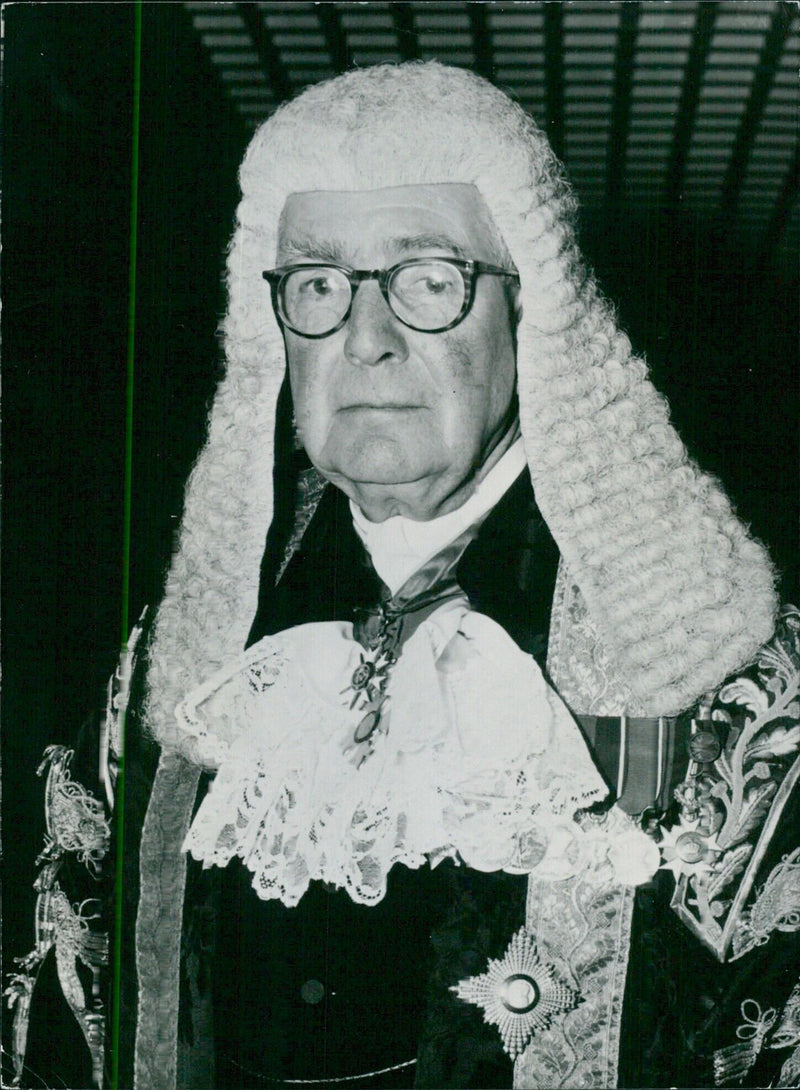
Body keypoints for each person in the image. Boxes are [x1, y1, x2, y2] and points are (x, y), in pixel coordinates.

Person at [8, 61, 800, 1090]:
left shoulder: (723, 678)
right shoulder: (172, 667)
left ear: (534, 318)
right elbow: (76, 1001)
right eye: (319, 286)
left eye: (429, 279)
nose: (365, 340)